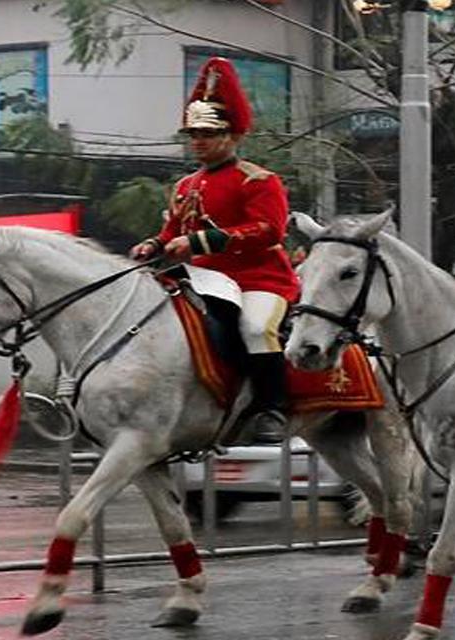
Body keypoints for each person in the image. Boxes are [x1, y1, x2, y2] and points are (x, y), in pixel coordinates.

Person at [130, 57, 300, 445]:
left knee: (257, 329)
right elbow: (173, 228)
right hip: (207, 277)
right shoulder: (186, 184)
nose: (198, 142)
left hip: (260, 278)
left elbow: (268, 231)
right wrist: (154, 243)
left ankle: (271, 405)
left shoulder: (258, 180)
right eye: (193, 134)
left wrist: (198, 242)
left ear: (231, 135)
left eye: (207, 133)